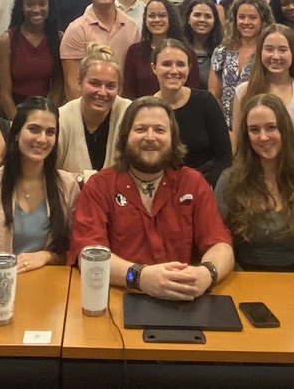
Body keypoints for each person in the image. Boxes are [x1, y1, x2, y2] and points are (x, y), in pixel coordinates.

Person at [68, 97, 236, 301]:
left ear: (173, 138)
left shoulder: (193, 182)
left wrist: (206, 274)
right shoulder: (99, 186)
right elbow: (89, 255)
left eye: (159, 130)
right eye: (140, 129)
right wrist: (139, 277)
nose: (150, 137)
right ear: (125, 136)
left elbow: (220, 245)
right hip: (120, 297)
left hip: (184, 298)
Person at [219, 94, 294, 272]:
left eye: (271, 128)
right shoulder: (229, 181)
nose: (263, 137)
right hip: (242, 279)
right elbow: (220, 243)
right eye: (254, 130)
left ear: (284, 130)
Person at [0, 98, 78, 268]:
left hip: (51, 283)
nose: (42, 139)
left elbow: (75, 250)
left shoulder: (67, 185)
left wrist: (47, 256)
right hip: (1, 282)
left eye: (50, 132)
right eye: (34, 129)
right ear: (16, 133)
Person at [233, 25, 294, 189]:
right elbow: (238, 148)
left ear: (293, 53)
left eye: (282, 50)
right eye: (269, 49)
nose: (275, 56)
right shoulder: (242, 93)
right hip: (254, 185)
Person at [151, 39, 230, 186]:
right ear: (154, 67)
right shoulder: (146, 109)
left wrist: (200, 188)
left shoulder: (206, 102)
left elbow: (224, 157)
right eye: (166, 64)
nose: (174, 71)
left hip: (203, 187)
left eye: (180, 64)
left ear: (189, 67)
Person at [61, 0, 140, 100]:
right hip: (88, 105)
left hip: (121, 107)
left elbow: (133, 77)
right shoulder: (76, 29)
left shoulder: (131, 28)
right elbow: (72, 83)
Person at [55, 47, 132, 177]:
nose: (102, 92)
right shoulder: (61, 118)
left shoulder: (129, 113)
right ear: (79, 83)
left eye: (110, 86)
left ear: (119, 89)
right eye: (95, 84)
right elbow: (48, 173)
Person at [0, 0, 63, 115]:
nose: (36, 9)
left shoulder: (59, 39)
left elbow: (58, 84)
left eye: (42, 4)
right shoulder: (6, 41)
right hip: (13, 111)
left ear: (49, 4)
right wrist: (18, 126)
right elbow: (4, 93)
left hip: (45, 109)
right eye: (30, 4)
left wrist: (48, 116)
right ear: (22, 6)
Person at [208, 0, 273, 125]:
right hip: (224, 124)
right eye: (241, 17)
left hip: (259, 123)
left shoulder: (268, 53)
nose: (246, 22)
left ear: (263, 20)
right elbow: (214, 93)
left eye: (253, 18)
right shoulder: (222, 51)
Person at [122, 0, 196, 98]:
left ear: (170, 18)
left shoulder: (186, 52)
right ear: (145, 20)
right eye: (151, 16)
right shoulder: (134, 51)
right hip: (143, 110)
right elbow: (129, 91)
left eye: (162, 15)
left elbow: (193, 88)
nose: (157, 20)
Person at [181, 0, 222, 87]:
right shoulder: (177, 48)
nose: (202, 20)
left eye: (208, 16)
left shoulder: (222, 51)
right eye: (197, 15)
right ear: (188, 19)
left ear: (214, 21)